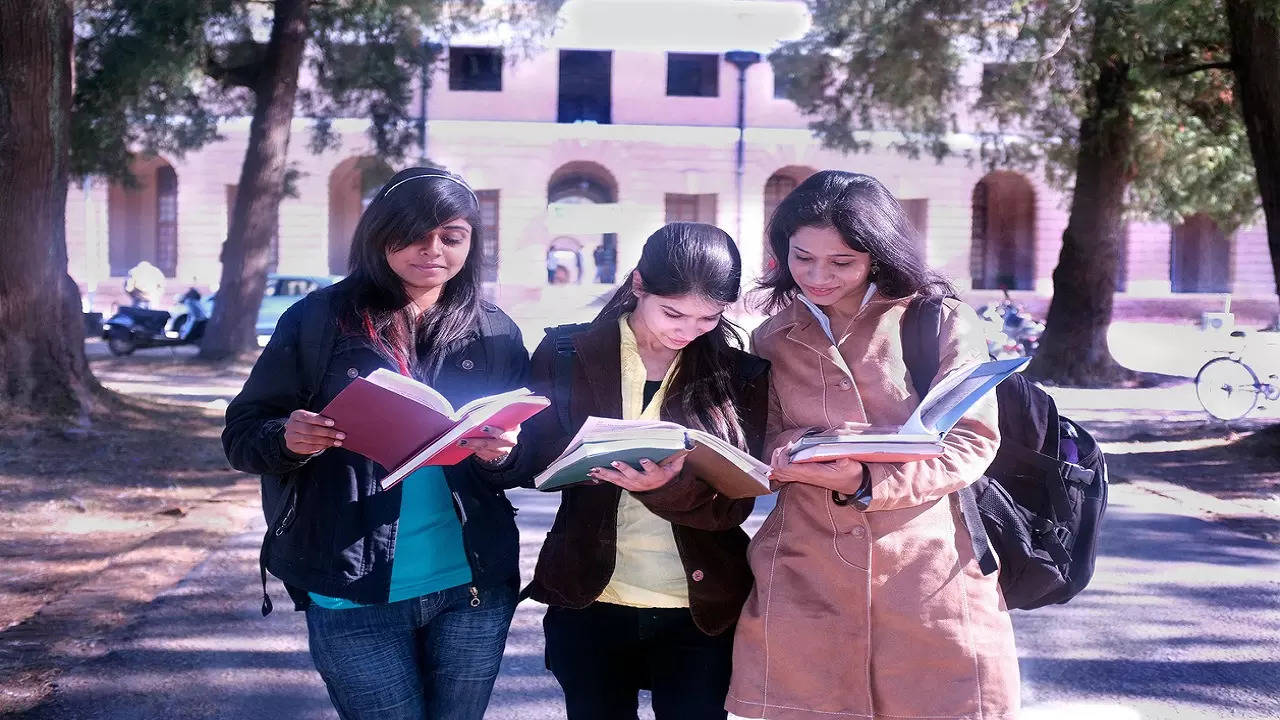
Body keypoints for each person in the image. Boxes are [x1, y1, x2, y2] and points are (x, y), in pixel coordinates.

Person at [222, 167, 531, 720]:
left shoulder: (497, 332)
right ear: (379, 236)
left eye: (451, 238)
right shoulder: (321, 320)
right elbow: (244, 433)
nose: (432, 250)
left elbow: (524, 460)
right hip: (351, 587)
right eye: (413, 234)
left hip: (472, 586)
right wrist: (290, 439)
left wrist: (505, 453)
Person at [725, 171, 1019, 720]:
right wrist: (790, 452)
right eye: (801, 257)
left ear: (877, 255)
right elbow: (760, 437)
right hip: (805, 566)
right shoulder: (772, 336)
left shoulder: (937, 321)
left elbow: (971, 441)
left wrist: (865, 480)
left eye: (841, 263)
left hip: (927, 569)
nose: (817, 276)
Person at [518, 222, 771, 720]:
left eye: (707, 318)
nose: (686, 329)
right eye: (672, 312)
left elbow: (735, 504)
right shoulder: (565, 353)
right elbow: (536, 459)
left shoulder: (738, 372)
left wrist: (667, 489)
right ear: (638, 285)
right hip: (590, 593)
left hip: (698, 604)